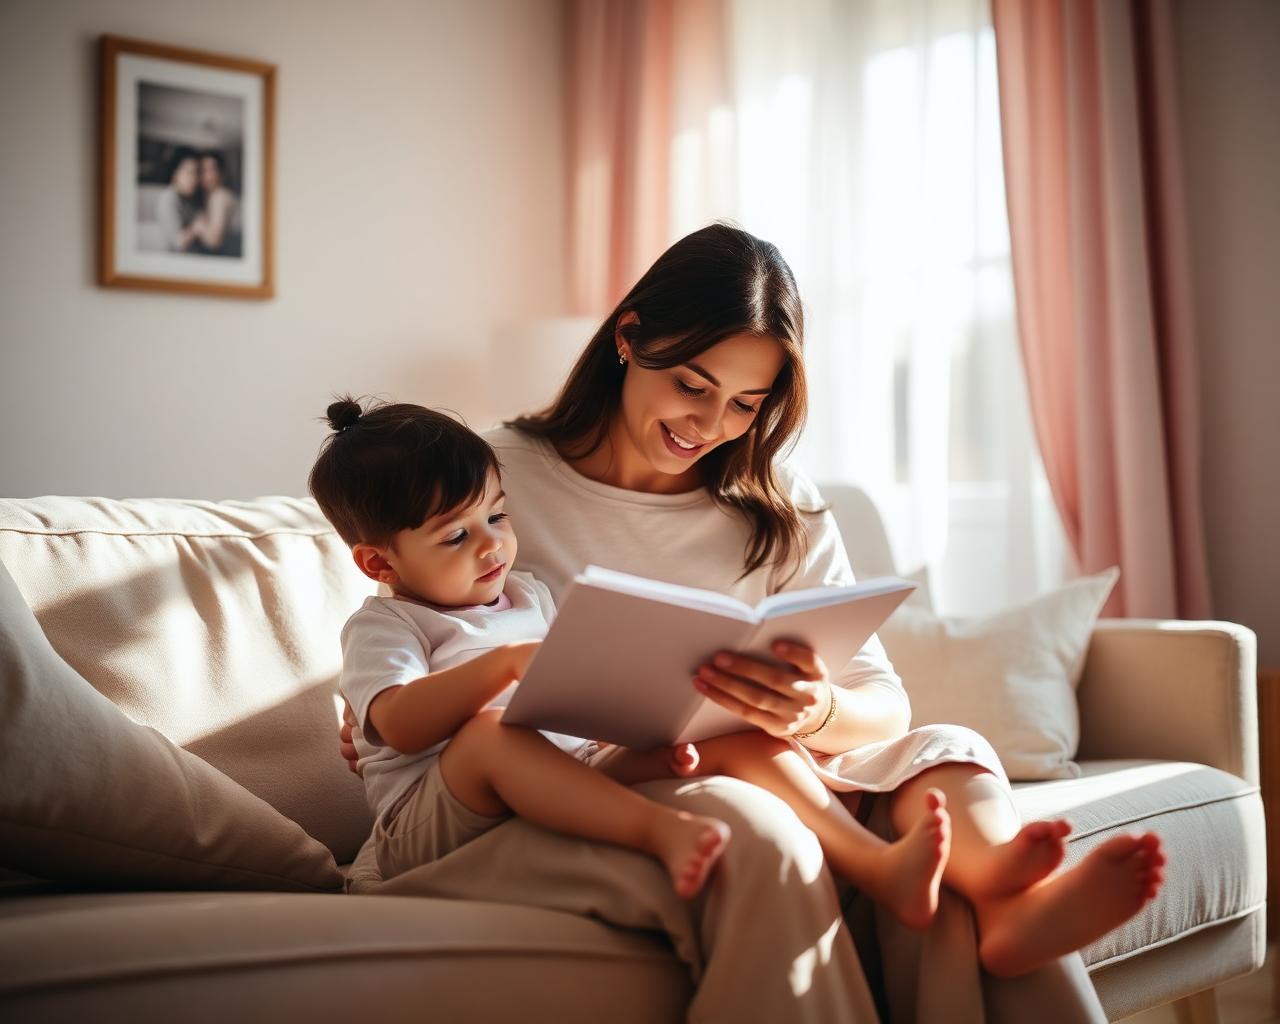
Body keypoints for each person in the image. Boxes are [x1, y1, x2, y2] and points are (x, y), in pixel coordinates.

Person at [339, 223, 1164, 1021]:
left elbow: (883, 701)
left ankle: (1009, 900)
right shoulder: (493, 484)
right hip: (607, 780)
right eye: (693, 386)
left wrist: (819, 710)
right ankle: (967, 898)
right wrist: (392, 717)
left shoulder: (777, 503)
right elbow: (410, 631)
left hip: (747, 750)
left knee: (947, 754)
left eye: (744, 404)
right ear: (628, 337)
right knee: (762, 818)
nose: (709, 425)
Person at [313, 398, 957, 926]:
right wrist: (507, 664)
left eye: (499, 515)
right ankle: (660, 831)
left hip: (563, 777)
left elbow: (576, 694)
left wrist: (652, 721)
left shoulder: (528, 592)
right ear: (378, 562)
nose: (493, 546)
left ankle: (875, 866)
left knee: (748, 735)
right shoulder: (385, 624)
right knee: (489, 736)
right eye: (457, 536)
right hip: (431, 821)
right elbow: (395, 723)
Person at [188, 151, 242, 258]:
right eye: (203, 170)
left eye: (212, 169)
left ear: (221, 173)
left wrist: (199, 226)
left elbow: (214, 240)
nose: (207, 175)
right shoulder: (211, 198)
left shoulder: (220, 196)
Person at [153, 146, 203, 253]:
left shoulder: (190, 197)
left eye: (196, 173)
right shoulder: (168, 198)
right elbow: (178, 242)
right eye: (189, 173)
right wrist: (196, 228)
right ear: (175, 174)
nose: (194, 179)